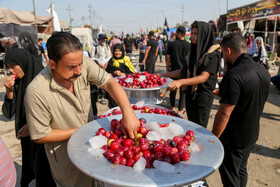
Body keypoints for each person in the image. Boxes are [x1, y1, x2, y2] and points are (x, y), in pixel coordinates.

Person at [24, 32, 140, 187]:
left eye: (80, 64)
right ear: (52, 64)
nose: (79, 71)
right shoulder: (37, 91)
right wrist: (81, 131)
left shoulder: (80, 62)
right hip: (67, 158)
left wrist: (128, 112)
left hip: (95, 147)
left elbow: (109, 82)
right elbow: (40, 135)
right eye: (72, 67)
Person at [212, 33, 270, 187]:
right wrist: (225, 93)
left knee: (230, 174)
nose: (223, 57)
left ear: (229, 51)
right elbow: (250, 95)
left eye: (223, 53)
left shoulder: (235, 74)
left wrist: (214, 138)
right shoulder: (262, 70)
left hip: (234, 138)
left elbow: (224, 114)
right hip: (251, 134)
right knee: (241, 169)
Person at [2, 48, 55, 187]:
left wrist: (31, 125)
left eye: (13, 66)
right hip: (27, 138)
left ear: (23, 63)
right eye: (8, 67)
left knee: (44, 171)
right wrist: (9, 92)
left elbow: (53, 112)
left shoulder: (42, 81)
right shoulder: (19, 83)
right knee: (31, 168)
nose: (10, 71)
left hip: (44, 137)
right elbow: (8, 114)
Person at [160, 21, 221, 128]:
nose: (192, 36)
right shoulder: (194, 50)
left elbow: (203, 77)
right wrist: (163, 75)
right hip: (190, 94)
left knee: (199, 127)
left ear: (204, 35)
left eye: (195, 34)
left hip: (202, 96)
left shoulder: (212, 53)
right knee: (192, 125)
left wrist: (180, 82)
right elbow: (184, 70)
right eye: (192, 33)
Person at [166, 26, 190, 115]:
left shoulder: (172, 44)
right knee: (183, 90)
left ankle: (172, 106)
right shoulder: (188, 45)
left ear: (179, 33)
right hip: (184, 71)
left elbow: (168, 58)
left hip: (174, 70)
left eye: (176, 32)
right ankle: (180, 109)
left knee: (172, 88)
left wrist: (168, 70)